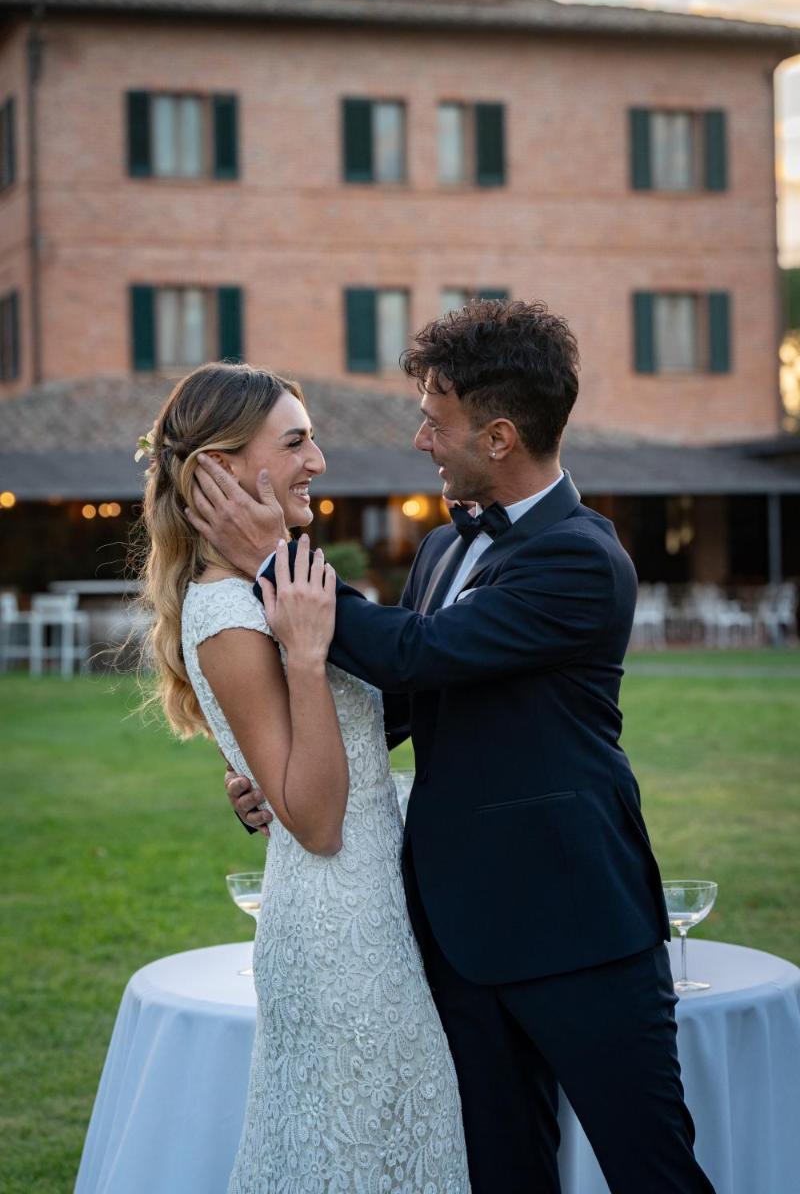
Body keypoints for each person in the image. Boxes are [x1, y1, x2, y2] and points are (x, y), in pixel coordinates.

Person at [188, 300, 717, 1194]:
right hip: (457, 936)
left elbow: (420, 653)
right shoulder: (440, 549)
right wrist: (279, 775)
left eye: (437, 422)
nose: (421, 439)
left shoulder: (584, 558)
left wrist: (277, 561)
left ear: (499, 437)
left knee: (651, 1170)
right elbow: (404, 701)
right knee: (505, 1175)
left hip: (579, 927)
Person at [136, 361, 470, 1194]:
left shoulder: (270, 588)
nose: (317, 461)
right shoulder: (227, 612)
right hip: (337, 936)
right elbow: (317, 822)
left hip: (378, 912)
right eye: (294, 443)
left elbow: (335, 755)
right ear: (221, 469)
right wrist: (309, 658)